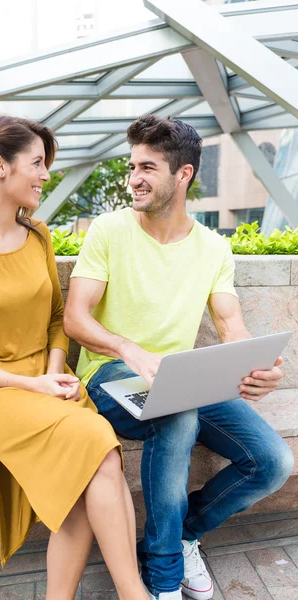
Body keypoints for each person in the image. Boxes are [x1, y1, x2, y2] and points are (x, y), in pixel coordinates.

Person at [64, 114, 294, 600]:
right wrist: (129, 348)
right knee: (176, 414)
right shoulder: (109, 231)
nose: (134, 179)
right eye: (132, 166)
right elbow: (75, 320)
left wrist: (258, 367)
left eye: (147, 167)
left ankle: (183, 534)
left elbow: (231, 323)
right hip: (109, 375)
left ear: (183, 174)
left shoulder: (213, 248)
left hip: (178, 379)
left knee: (272, 461)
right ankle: (164, 578)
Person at [0, 114, 150, 600]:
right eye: (39, 163)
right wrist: (32, 387)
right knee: (97, 444)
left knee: (86, 477)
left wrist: (51, 373)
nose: (47, 175)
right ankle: (136, 595)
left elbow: (54, 320)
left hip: (52, 381)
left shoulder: (39, 236)